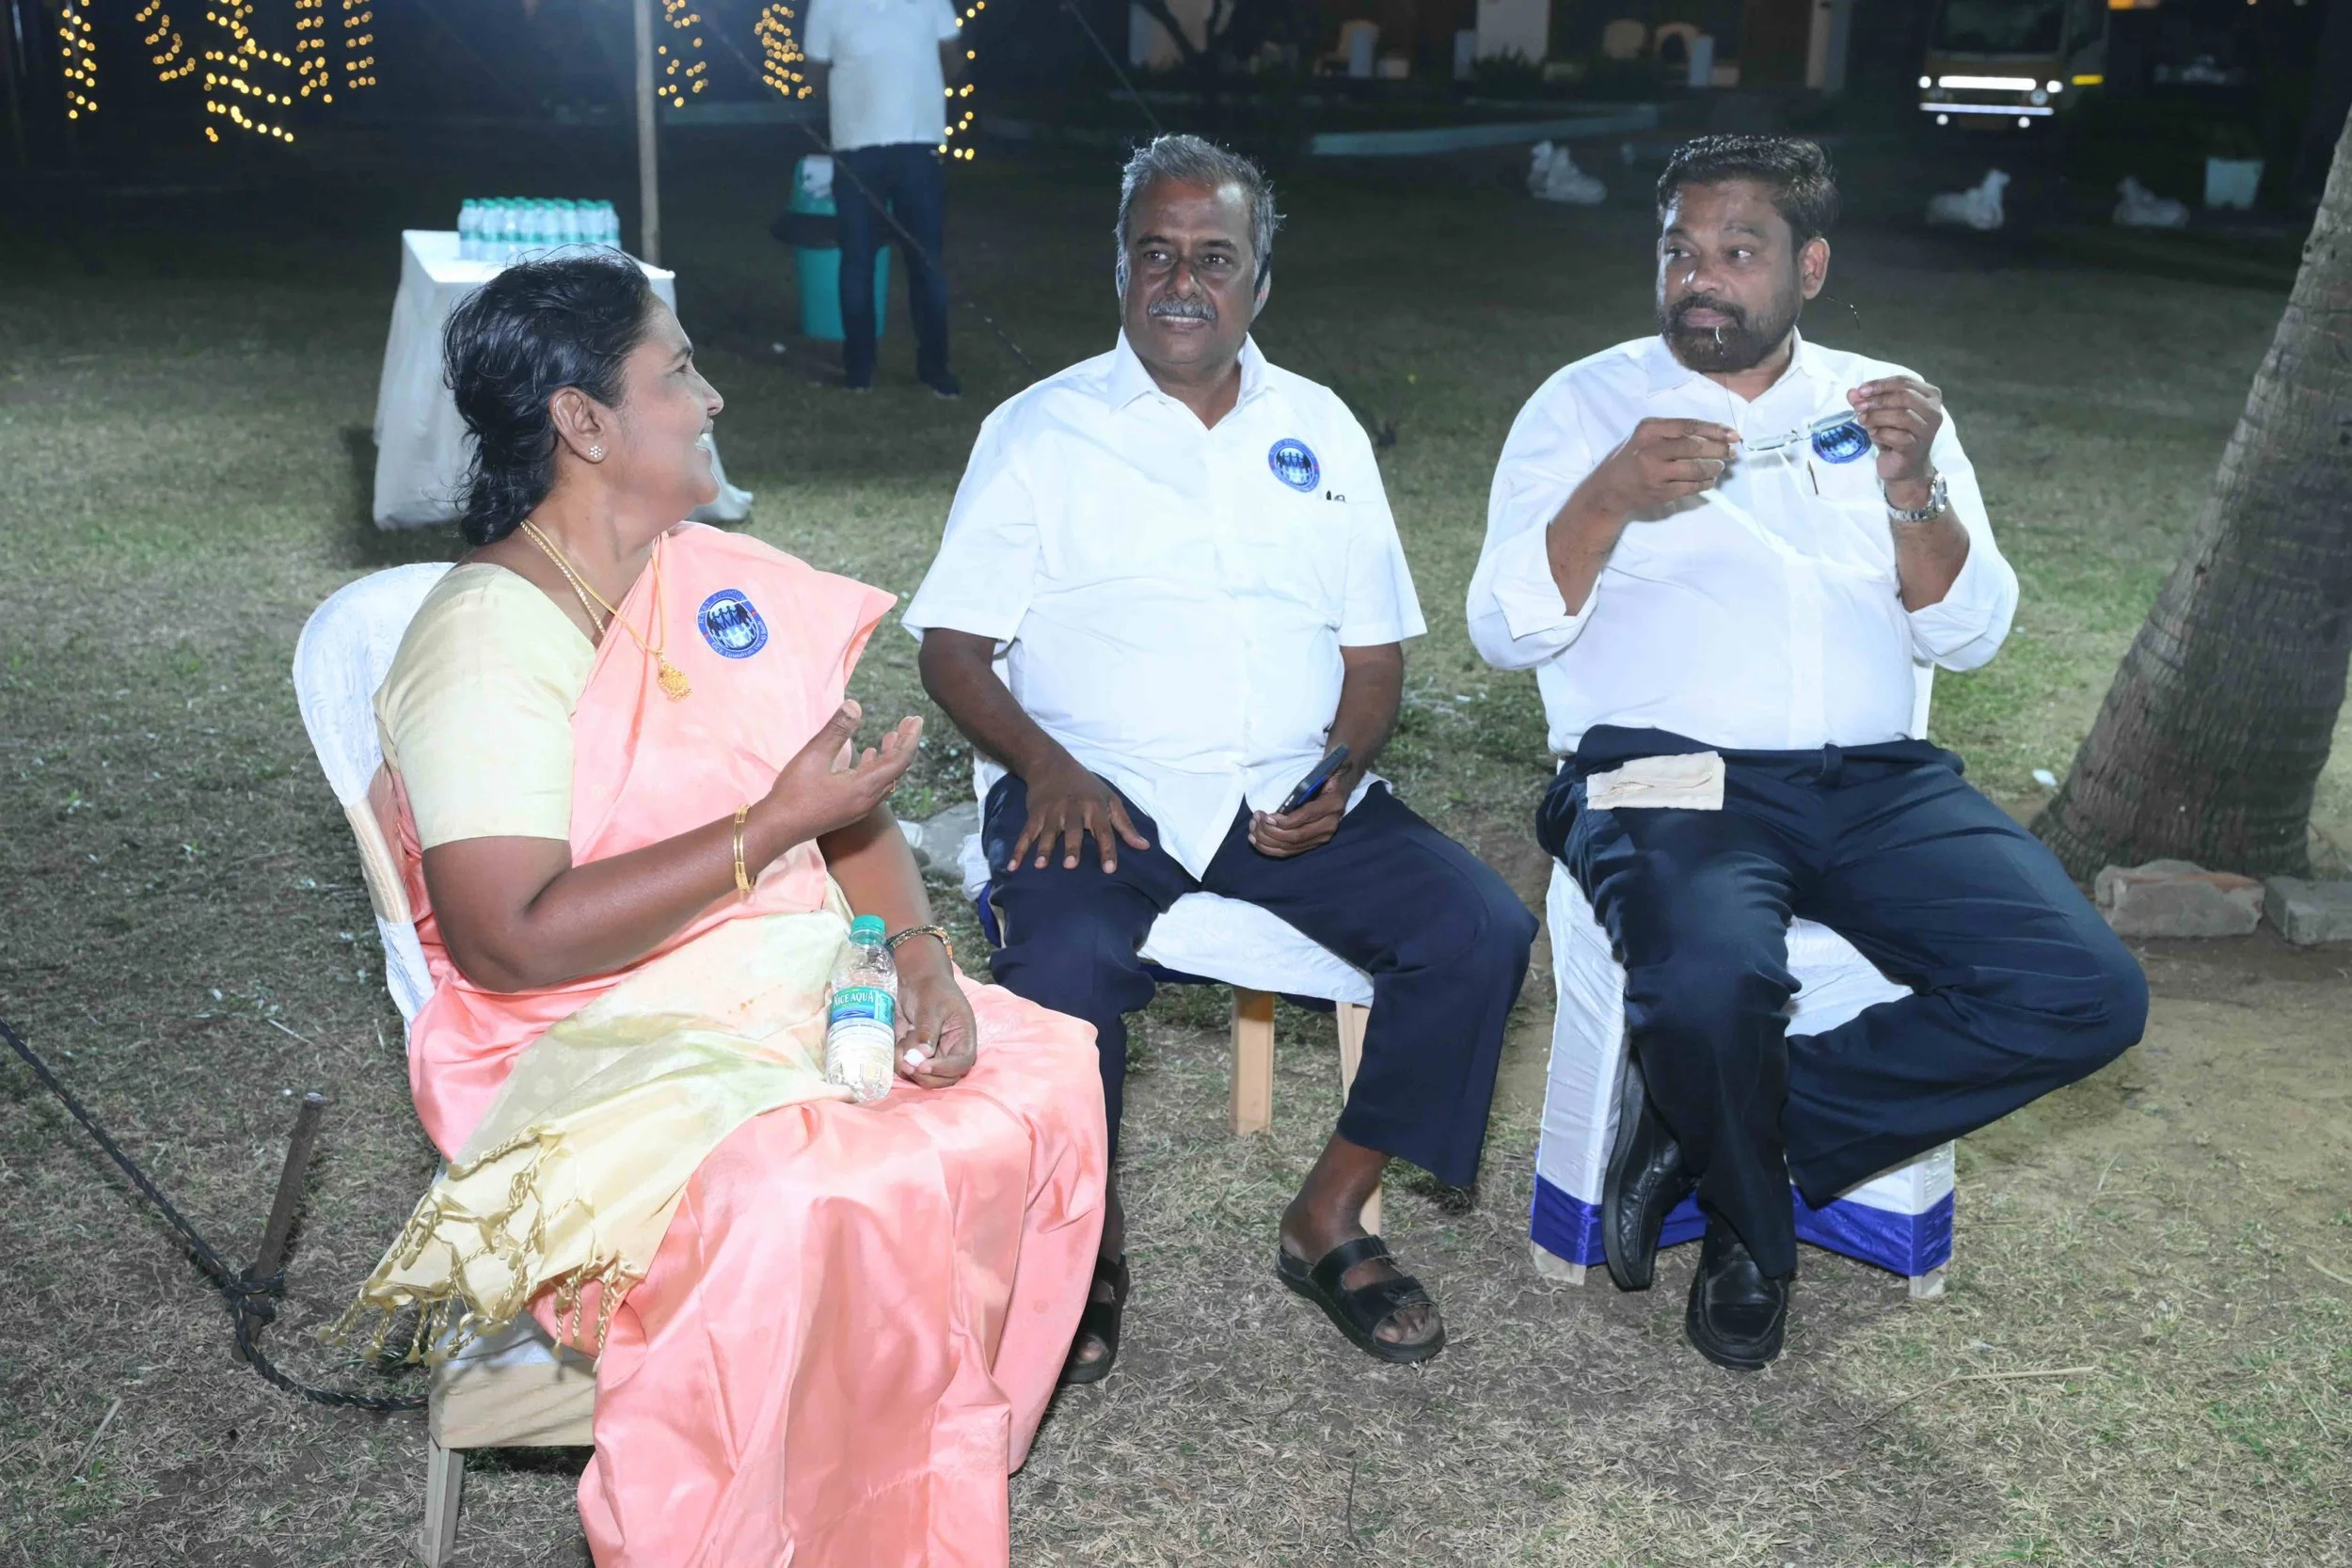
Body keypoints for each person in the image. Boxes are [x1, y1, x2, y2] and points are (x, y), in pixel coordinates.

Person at [339, 255, 1106, 1566]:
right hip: (584, 1038)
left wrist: (918, 955)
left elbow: (845, 813)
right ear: (583, 422)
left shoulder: (717, 580)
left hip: (785, 974)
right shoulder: (486, 641)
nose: (713, 399)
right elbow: (508, 938)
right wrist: (767, 827)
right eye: (679, 371)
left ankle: (900, 1481)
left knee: (1042, 1071)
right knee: (814, 1188)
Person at [1469, 135, 2148, 1371]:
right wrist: (1609, 494)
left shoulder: (1885, 405)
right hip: (1659, 771)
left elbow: (1969, 631)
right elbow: (1502, 629)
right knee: (1711, 976)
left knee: (2087, 989)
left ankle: (1720, 1126)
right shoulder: (1583, 404)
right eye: (1679, 250)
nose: (1700, 278)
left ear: (1811, 267)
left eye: (1738, 251)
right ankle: (1749, 1231)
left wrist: (1913, 485)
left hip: (1873, 777)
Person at [906, 135, 1539, 1378]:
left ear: (1259, 280)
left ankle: (1328, 1214)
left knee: (1479, 929)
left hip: (1283, 789)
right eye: (1155, 254)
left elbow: (1372, 657)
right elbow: (953, 651)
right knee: (1065, 964)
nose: (1181, 281)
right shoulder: (1039, 430)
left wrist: (1339, 771)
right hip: (1093, 787)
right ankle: (1087, 1246)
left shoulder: (1322, 428)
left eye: (1214, 257)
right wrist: (1046, 765)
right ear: (1119, 268)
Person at [801, 0, 964, 396]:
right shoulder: (826, 4)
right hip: (858, 148)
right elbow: (815, 72)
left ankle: (928, 367)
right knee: (862, 259)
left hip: (914, 145)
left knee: (918, 260)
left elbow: (952, 56)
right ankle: (862, 369)